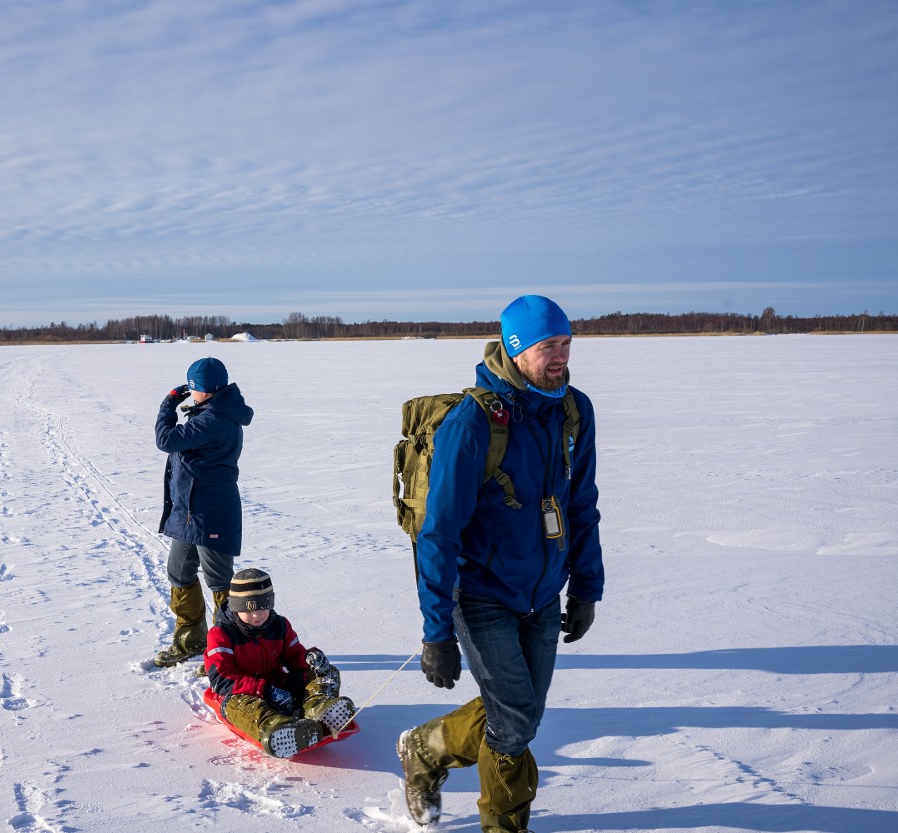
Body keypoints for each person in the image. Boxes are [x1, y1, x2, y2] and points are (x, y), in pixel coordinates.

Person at [398, 295, 604, 833]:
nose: (560, 356)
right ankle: (504, 827)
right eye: (546, 347)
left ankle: (425, 748)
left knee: (522, 715)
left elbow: (582, 506)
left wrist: (585, 587)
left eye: (565, 343)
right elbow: (438, 533)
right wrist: (436, 633)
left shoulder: (574, 410)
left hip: (543, 593)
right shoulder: (472, 424)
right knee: (513, 720)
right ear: (516, 350)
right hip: (481, 594)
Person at [153, 357, 255, 667]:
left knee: (220, 582)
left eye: (193, 388)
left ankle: (230, 653)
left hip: (211, 513)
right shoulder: (210, 412)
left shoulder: (214, 419)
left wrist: (168, 405)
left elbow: (166, 440)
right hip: (190, 513)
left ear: (202, 389)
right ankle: (191, 639)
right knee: (179, 572)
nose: (190, 394)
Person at [204, 568, 356, 758]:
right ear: (235, 607)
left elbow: (294, 656)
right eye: (247, 610)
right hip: (240, 692)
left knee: (325, 672)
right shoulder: (221, 635)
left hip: (278, 686)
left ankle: (317, 710)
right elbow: (222, 680)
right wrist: (264, 690)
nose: (256, 615)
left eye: (262, 607)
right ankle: (277, 727)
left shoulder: (279, 625)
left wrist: (309, 659)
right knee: (241, 704)